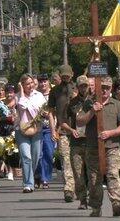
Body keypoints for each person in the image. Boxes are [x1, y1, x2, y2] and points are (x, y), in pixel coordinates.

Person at [76, 76, 120, 217]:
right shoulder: (89, 103)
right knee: (94, 179)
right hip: (93, 147)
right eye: (102, 87)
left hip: (112, 147)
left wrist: (111, 133)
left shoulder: (116, 104)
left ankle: (116, 203)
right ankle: (96, 207)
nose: (104, 90)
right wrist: (92, 111)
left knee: (113, 174)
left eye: (107, 88)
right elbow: (79, 121)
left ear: (111, 89)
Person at [48, 64, 77, 202]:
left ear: (72, 74)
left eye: (68, 75)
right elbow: (51, 112)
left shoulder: (78, 88)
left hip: (79, 130)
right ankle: (69, 189)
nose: (66, 78)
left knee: (78, 161)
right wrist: (53, 130)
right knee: (66, 159)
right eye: (63, 75)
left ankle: (80, 188)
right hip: (63, 130)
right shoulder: (55, 91)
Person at [14, 74, 47, 193]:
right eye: (27, 84)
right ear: (22, 85)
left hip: (36, 129)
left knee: (35, 156)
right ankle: (28, 184)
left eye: (31, 83)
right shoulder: (18, 96)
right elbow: (22, 106)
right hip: (21, 130)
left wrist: (44, 114)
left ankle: (30, 177)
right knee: (26, 156)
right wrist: (22, 92)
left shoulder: (39, 96)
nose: (30, 86)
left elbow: (44, 109)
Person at [64, 75, 90, 209]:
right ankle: (83, 200)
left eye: (85, 85)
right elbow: (63, 121)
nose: (84, 88)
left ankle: (93, 198)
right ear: (77, 87)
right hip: (76, 142)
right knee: (78, 174)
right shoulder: (72, 103)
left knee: (92, 174)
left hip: (91, 142)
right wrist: (70, 130)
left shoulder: (94, 101)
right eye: (81, 86)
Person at [35, 73, 56, 189]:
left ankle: (45, 179)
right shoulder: (35, 95)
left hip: (49, 128)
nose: (43, 83)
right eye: (41, 81)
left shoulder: (53, 94)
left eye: (45, 81)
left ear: (48, 82)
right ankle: (37, 175)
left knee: (48, 153)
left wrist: (50, 114)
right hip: (37, 127)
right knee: (38, 154)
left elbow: (58, 109)